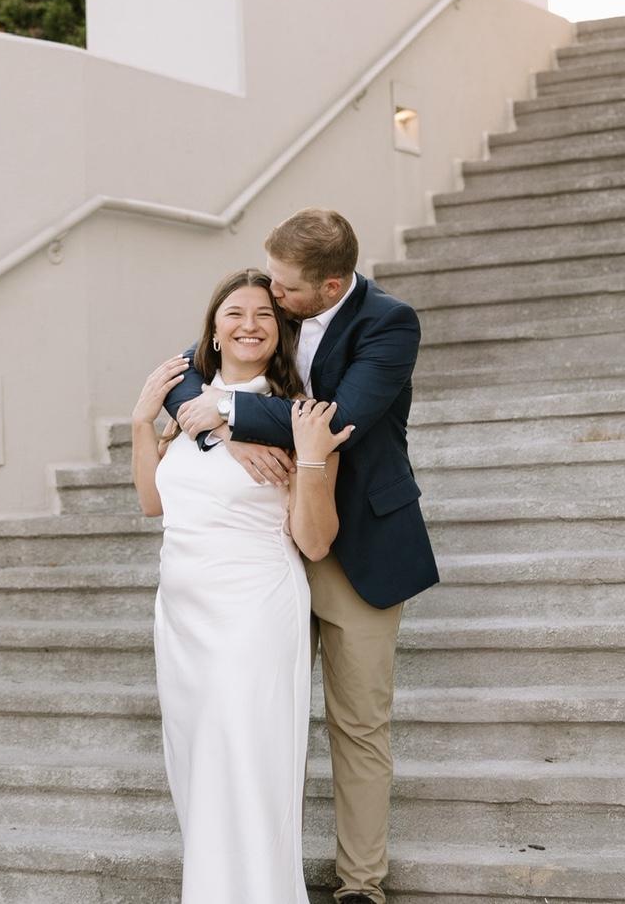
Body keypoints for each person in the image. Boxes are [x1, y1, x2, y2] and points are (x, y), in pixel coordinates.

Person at [167, 209, 439, 904]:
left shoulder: (390, 324)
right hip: (263, 551)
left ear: (330, 286)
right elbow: (188, 372)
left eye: (285, 288)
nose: (272, 296)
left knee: (358, 724)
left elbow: (337, 421)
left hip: (359, 547)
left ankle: (360, 884)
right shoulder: (275, 305)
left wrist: (229, 414)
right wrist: (221, 431)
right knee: (253, 722)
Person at [131, 269, 351, 904]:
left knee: (246, 765)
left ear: (281, 330)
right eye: (234, 312)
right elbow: (154, 503)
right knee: (196, 764)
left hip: (253, 609)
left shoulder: (295, 415)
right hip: (181, 615)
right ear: (213, 328)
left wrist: (312, 461)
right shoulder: (189, 410)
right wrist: (143, 421)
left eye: (263, 314)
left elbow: (315, 541)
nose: (249, 325)